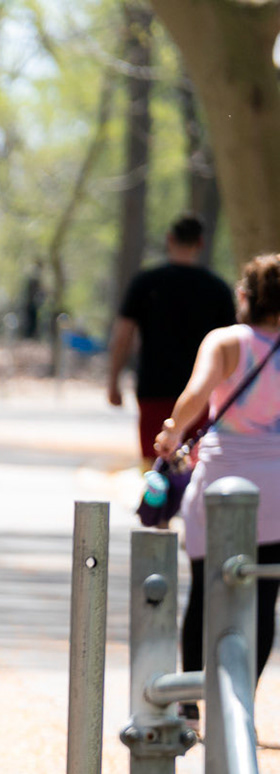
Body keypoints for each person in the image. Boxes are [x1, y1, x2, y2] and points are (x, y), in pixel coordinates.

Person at [154, 254, 280, 683]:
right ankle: (240, 699)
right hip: (276, 490)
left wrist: (172, 433)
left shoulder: (226, 342)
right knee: (264, 596)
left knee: (206, 592)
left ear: (243, 296)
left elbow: (196, 394)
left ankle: (190, 700)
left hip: (221, 478)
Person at [110, 216, 238, 465]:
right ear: (200, 243)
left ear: (169, 239)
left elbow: (122, 336)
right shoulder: (217, 289)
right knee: (196, 464)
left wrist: (113, 382)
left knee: (154, 465)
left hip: (153, 388)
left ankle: (156, 504)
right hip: (202, 394)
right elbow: (233, 345)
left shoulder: (145, 283)